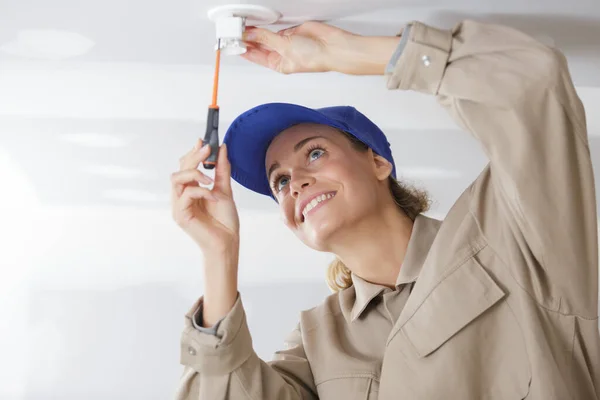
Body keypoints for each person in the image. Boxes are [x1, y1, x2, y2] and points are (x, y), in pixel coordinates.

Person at [171, 19, 600, 400]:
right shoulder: (319, 339)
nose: (295, 181)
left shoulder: (508, 236)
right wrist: (219, 255)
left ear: (378, 163)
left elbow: (531, 82)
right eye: (279, 180)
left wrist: (349, 52)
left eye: (315, 153)